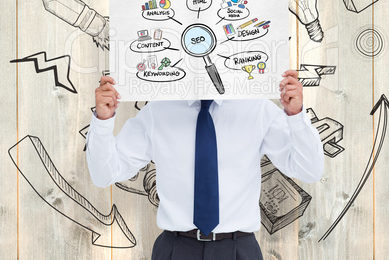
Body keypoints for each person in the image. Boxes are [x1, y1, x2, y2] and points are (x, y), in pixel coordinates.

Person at [86, 70, 324, 259]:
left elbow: (308, 170)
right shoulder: (156, 112)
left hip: (238, 249)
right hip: (175, 249)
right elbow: (104, 174)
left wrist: (296, 116)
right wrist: (104, 122)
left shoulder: (258, 108)